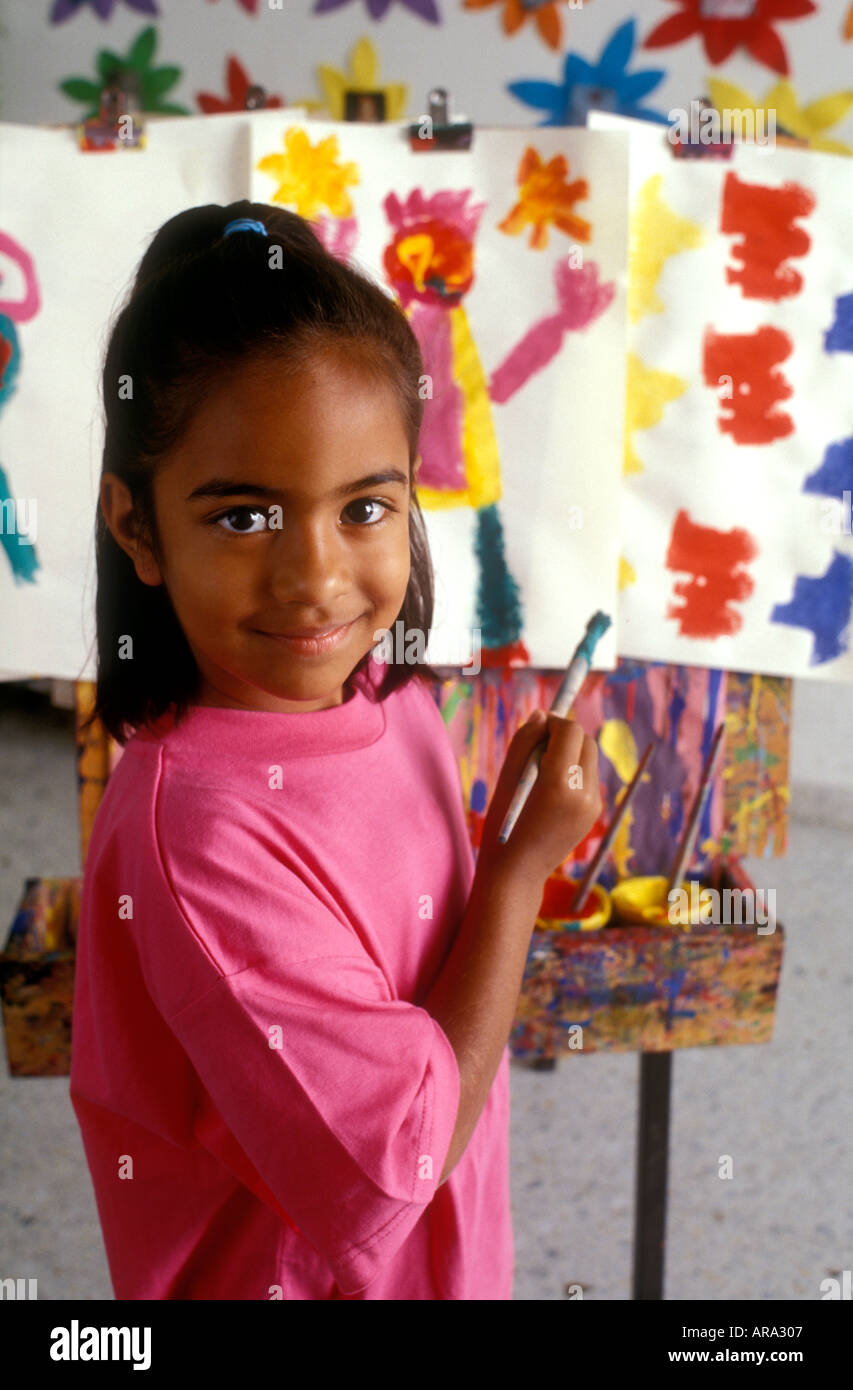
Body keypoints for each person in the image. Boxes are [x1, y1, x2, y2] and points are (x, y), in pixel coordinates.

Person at [69, 200, 602, 1300]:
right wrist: (513, 873)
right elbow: (394, 1164)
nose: (316, 578)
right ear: (138, 527)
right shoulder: (200, 834)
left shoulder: (380, 692)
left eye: (364, 506)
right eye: (244, 517)